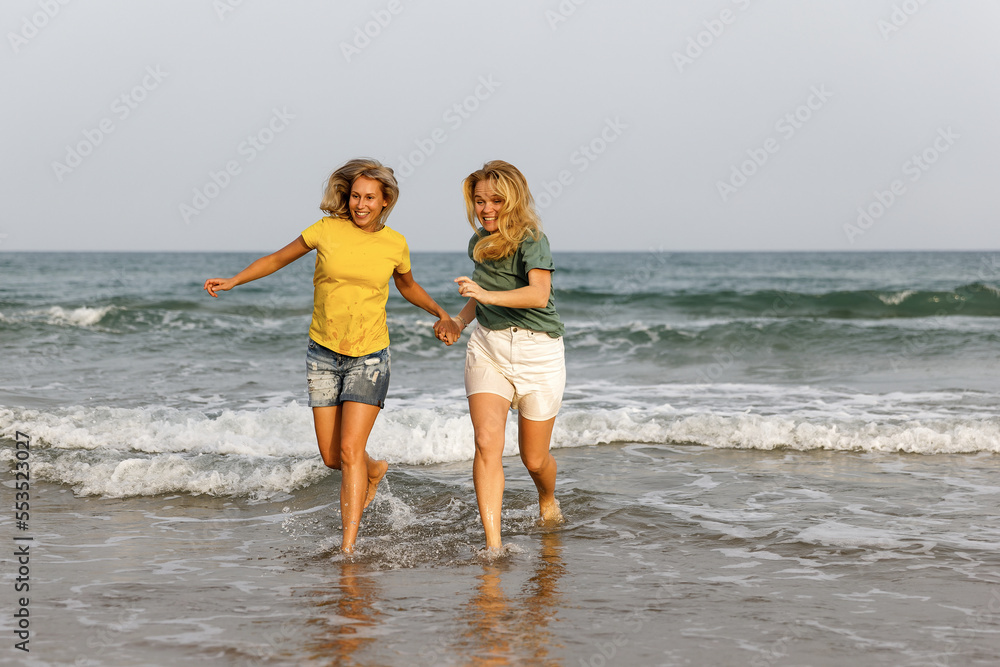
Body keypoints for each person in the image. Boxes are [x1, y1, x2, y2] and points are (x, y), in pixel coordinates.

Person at [204, 157, 452, 553]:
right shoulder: (326, 230)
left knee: (350, 450)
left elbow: (408, 286)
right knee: (333, 457)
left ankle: (348, 547)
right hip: (323, 353)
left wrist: (441, 312)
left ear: (385, 200)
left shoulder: (394, 243)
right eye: (355, 196)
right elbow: (277, 258)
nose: (360, 204)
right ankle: (373, 471)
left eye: (370, 197)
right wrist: (235, 280)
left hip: (369, 357)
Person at [434, 160, 566, 553]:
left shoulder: (532, 239)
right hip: (488, 347)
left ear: (513, 201)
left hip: (538, 351)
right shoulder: (478, 242)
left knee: (534, 458)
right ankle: (493, 547)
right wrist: (459, 320)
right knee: (486, 441)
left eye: (495, 200)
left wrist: (486, 296)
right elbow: (480, 295)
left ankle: (547, 498)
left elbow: (538, 294)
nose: (486, 209)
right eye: (479, 201)